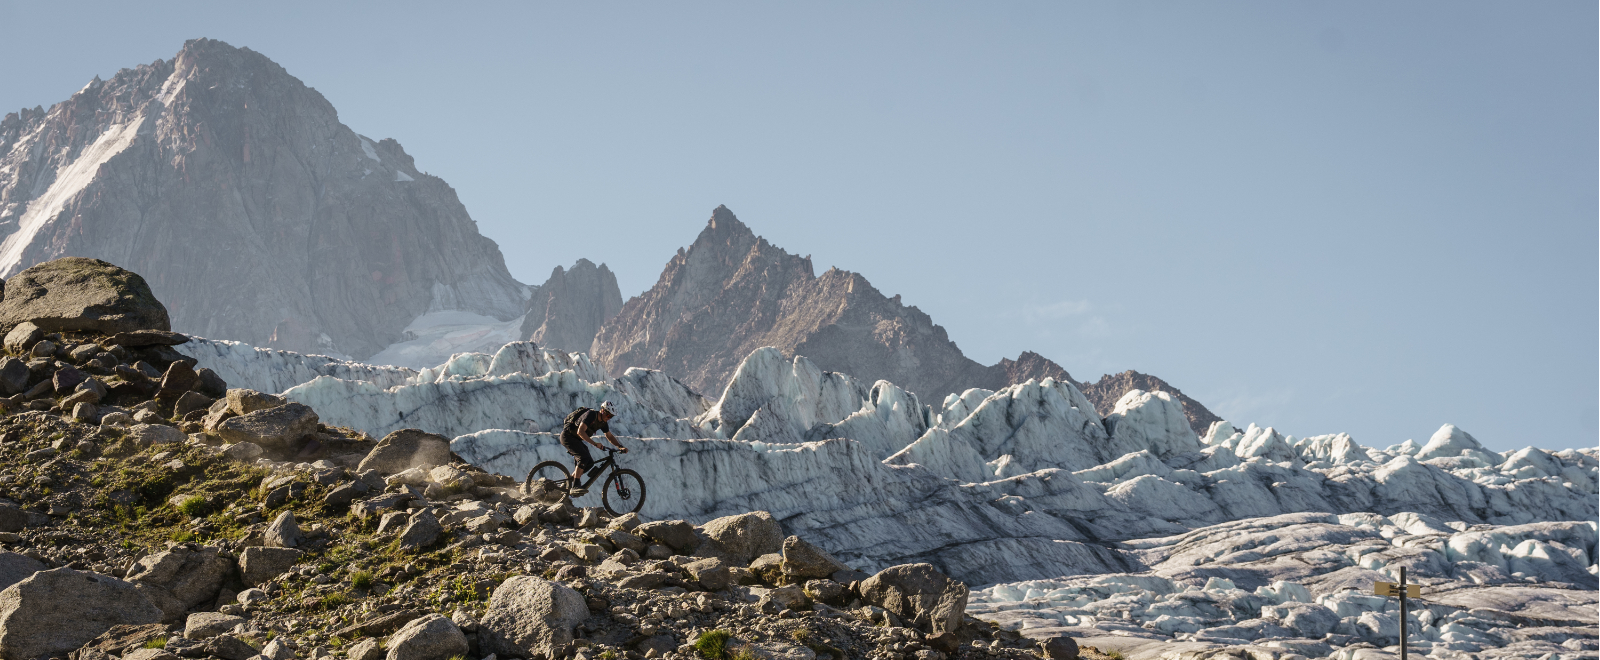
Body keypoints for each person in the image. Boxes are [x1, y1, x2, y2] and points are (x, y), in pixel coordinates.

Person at [559, 400, 627, 495]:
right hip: (567, 437)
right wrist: (595, 444)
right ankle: (575, 486)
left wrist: (620, 446)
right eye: (608, 415)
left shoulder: (603, 422)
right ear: (602, 411)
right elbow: (580, 431)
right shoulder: (591, 415)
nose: (609, 418)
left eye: (611, 417)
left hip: (576, 440)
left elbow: (609, 435)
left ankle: (567, 483)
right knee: (583, 458)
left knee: (589, 463)